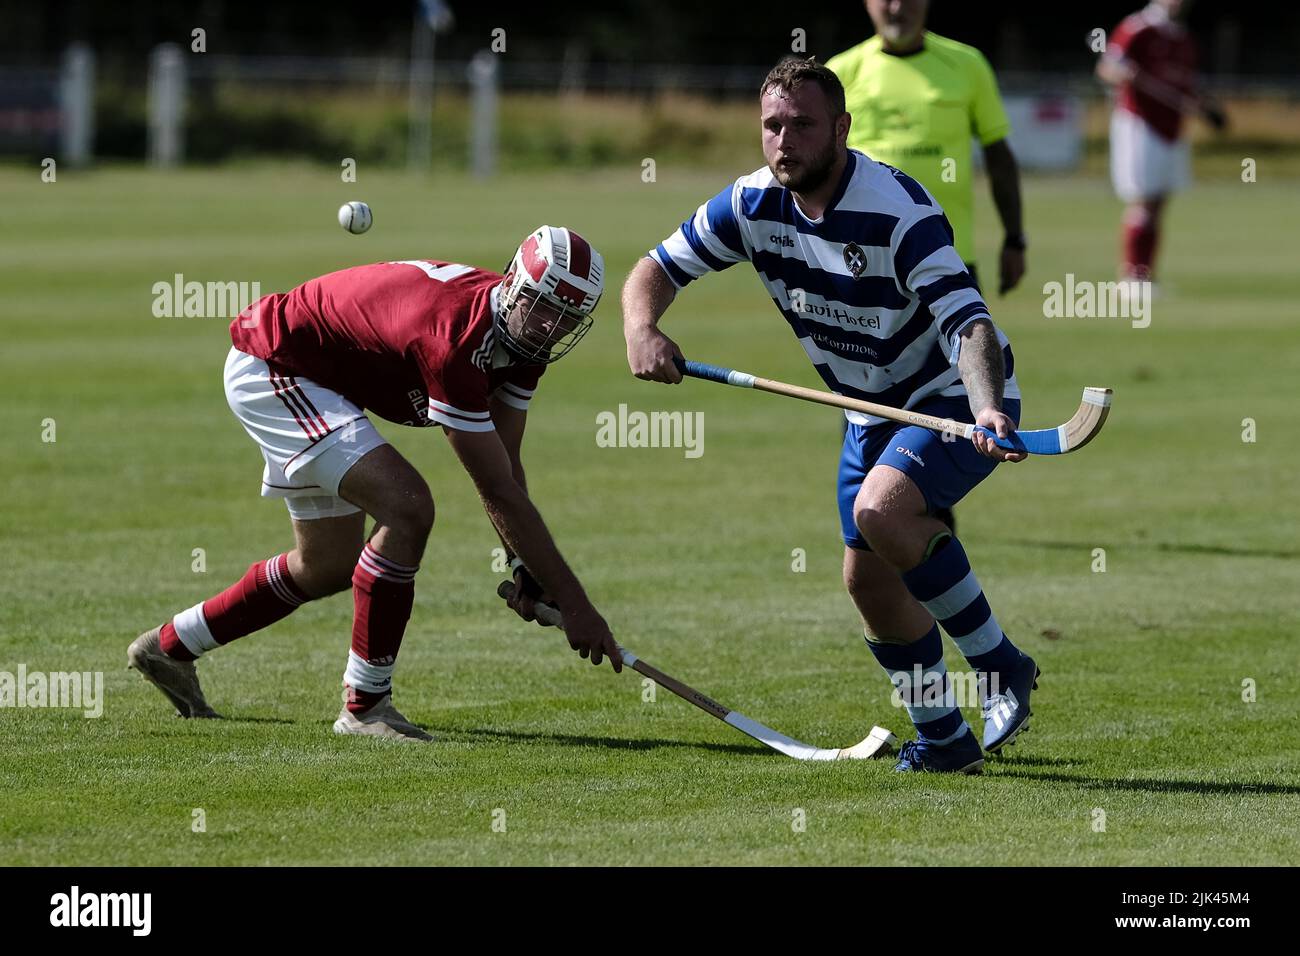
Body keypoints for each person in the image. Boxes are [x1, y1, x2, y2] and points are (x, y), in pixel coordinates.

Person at [622, 57, 1036, 774]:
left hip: (950, 397)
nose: (785, 141)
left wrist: (987, 405)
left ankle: (1001, 669)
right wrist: (642, 329)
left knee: (883, 512)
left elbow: (968, 320)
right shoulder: (751, 206)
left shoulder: (898, 210)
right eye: (772, 126)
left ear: (841, 129)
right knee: (867, 582)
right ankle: (942, 737)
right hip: (865, 410)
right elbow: (654, 268)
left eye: (803, 126)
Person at [128, 226, 622, 742]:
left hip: (324, 380)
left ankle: (169, 647)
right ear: (514, 283)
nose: (548, 327)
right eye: (541, 306)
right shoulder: (454, 339)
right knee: (408, 507)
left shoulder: (525, 343)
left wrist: (525, 567)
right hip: (276, 364)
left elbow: (507, 468)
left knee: (326, 566)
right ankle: (365, 707)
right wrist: (576, 603)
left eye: (565, 319)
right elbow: (495, 489)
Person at [827, 0, 1028, 533]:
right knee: (874, 408)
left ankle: (916, 511)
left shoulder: (966, 64)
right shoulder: (842, 72)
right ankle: (896, 519)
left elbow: (999, 153)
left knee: (958, 398)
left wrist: (1015, 237)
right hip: (865, 275)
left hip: (949, 269)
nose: (897, 6)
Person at [1097, 0, 1226, 281]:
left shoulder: (1183, 39)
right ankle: (1131, 277)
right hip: (1141, 124)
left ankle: (1145, 274)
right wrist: (1122, 73)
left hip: (1173, 128)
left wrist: (1207, 111)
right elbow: (1107, 68)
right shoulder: (1137, 28)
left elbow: (1187, 87)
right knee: (1143, 200)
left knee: (1159, 203)